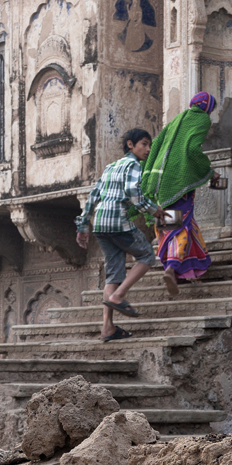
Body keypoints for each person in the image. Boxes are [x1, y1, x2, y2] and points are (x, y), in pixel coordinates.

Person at [75, 128, 156, 342]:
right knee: (147, 256)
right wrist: (154, 210)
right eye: (144, 144)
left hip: (100, 223)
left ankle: (107, 328)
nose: (147, 149)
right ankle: (120, 296)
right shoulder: (133, 165)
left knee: (113, 274)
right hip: (118, 221)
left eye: (149, 145)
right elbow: (134, 194)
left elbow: (93, 197)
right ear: (130, 144)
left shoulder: (110, 167)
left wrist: (83, 226)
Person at [140, 92, 224, 298]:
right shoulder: (201, 119)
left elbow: (157, 144)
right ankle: (172, 267)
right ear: (208, 108)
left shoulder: (177, 118)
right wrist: (209, 171)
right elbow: (193, 150)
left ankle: (190, 270)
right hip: (178, 182)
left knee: (172, 223)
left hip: (160, 181)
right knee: (179, 225)